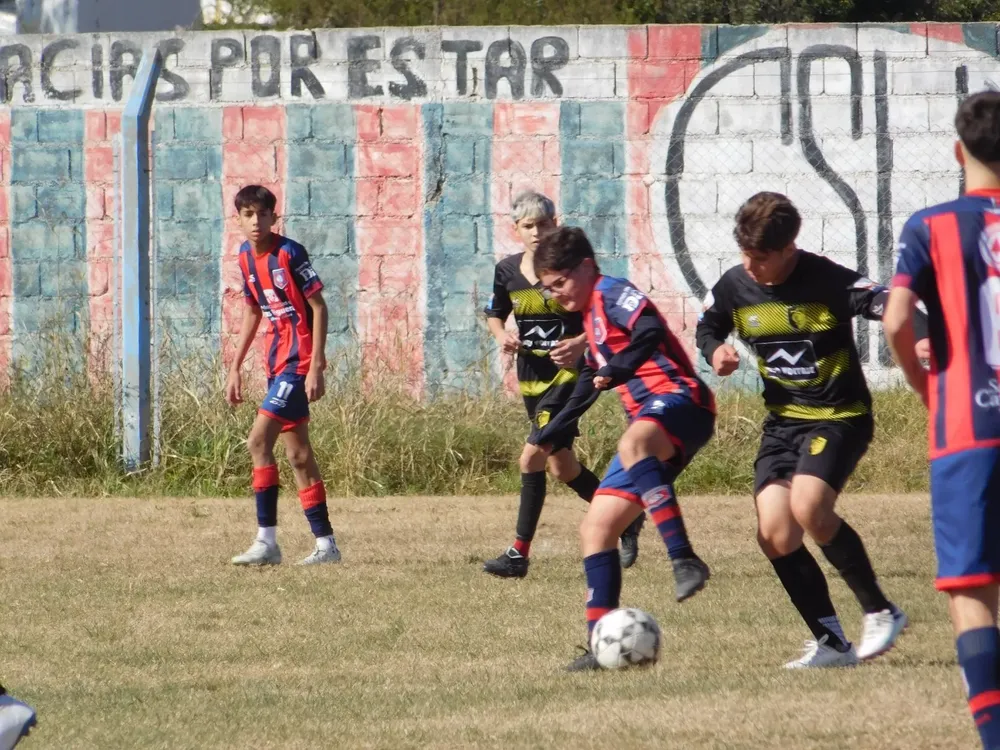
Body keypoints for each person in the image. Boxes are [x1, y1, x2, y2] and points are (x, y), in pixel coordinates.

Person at [696, 191, 921, 668]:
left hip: (839, 417)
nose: (750, 266)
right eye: (745, 255)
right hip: (783, 424)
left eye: (761, 258)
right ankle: (831, 643)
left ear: (789, 250)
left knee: (809, 506)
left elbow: (885, 301)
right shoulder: (736, 285)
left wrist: (919, 333)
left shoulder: (825, 279)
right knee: (776, 534)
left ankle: (880, 610)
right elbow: (709, 325)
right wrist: (716, 351)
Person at [528, 226, 716, 671]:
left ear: (588, 267)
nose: (556, 295)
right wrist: (555, 428)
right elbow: (591, 382)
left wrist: (621, 365)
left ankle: (684, 558)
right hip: (649, 422)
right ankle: (599, 645)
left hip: (682, 399)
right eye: (548, 288)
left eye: (560, 283)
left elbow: (649, 329)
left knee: (632, 443)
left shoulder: (613, 292)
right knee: (596, 529)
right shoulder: (590, 320)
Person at [884, 90, 1000, 749]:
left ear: (959, 152)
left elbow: (899, 320)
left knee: (975, 590)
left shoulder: (930, 225)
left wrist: (929, 389)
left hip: (967, 427)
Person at [482, 191, 644, 578]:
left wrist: (582, 342)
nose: (537, 232)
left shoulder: (572, 271)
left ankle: (518, 554)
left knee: (531, 457)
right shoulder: (507, 271)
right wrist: (499, 334)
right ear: (516, 229)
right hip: (532, 378)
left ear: (556, 223)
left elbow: (602, 314)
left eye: (543, 224)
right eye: (528, 226)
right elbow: (494, 313)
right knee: (562, 466)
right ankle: (626, 519)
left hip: (570, 378)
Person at [224, 185, 340, 566]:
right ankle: (326, 547)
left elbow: (318, 307)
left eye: (262, 214)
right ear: (239, 219)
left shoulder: (290, 253)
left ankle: (266, 542)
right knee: (299, 455)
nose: (256, 222)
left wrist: (316, 365)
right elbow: (254, 312)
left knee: (258, 440)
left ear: (274, 216)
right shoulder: (244, 257)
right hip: (276, 365)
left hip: (298, 362)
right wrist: (236, 366)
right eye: (248, 215)